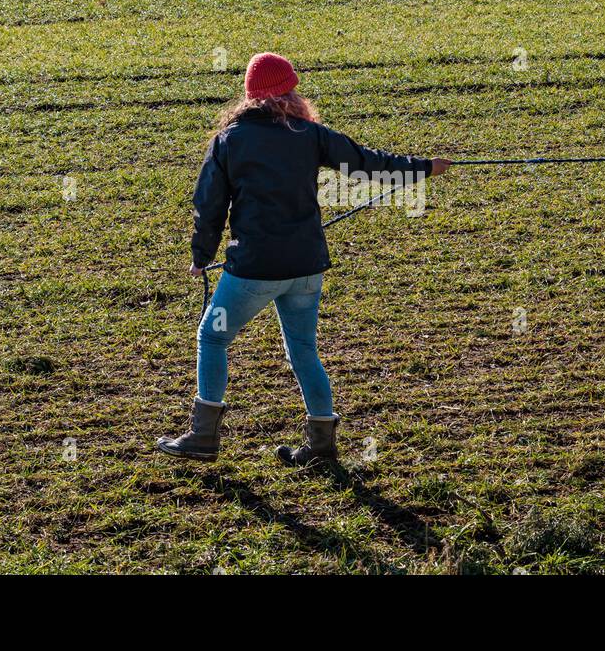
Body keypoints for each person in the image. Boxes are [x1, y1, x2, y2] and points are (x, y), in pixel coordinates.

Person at [157, 52, 450, 464]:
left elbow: (209, 206)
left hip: (254, 270)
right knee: (303, 349)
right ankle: (322, 445)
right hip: (307, 269)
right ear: (289, 92)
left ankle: (203, 436)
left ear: (249, 97)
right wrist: (424, 167)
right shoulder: (311, 135)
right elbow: (369, 165)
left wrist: (201, 256)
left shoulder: (229, 141)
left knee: (213, 336)